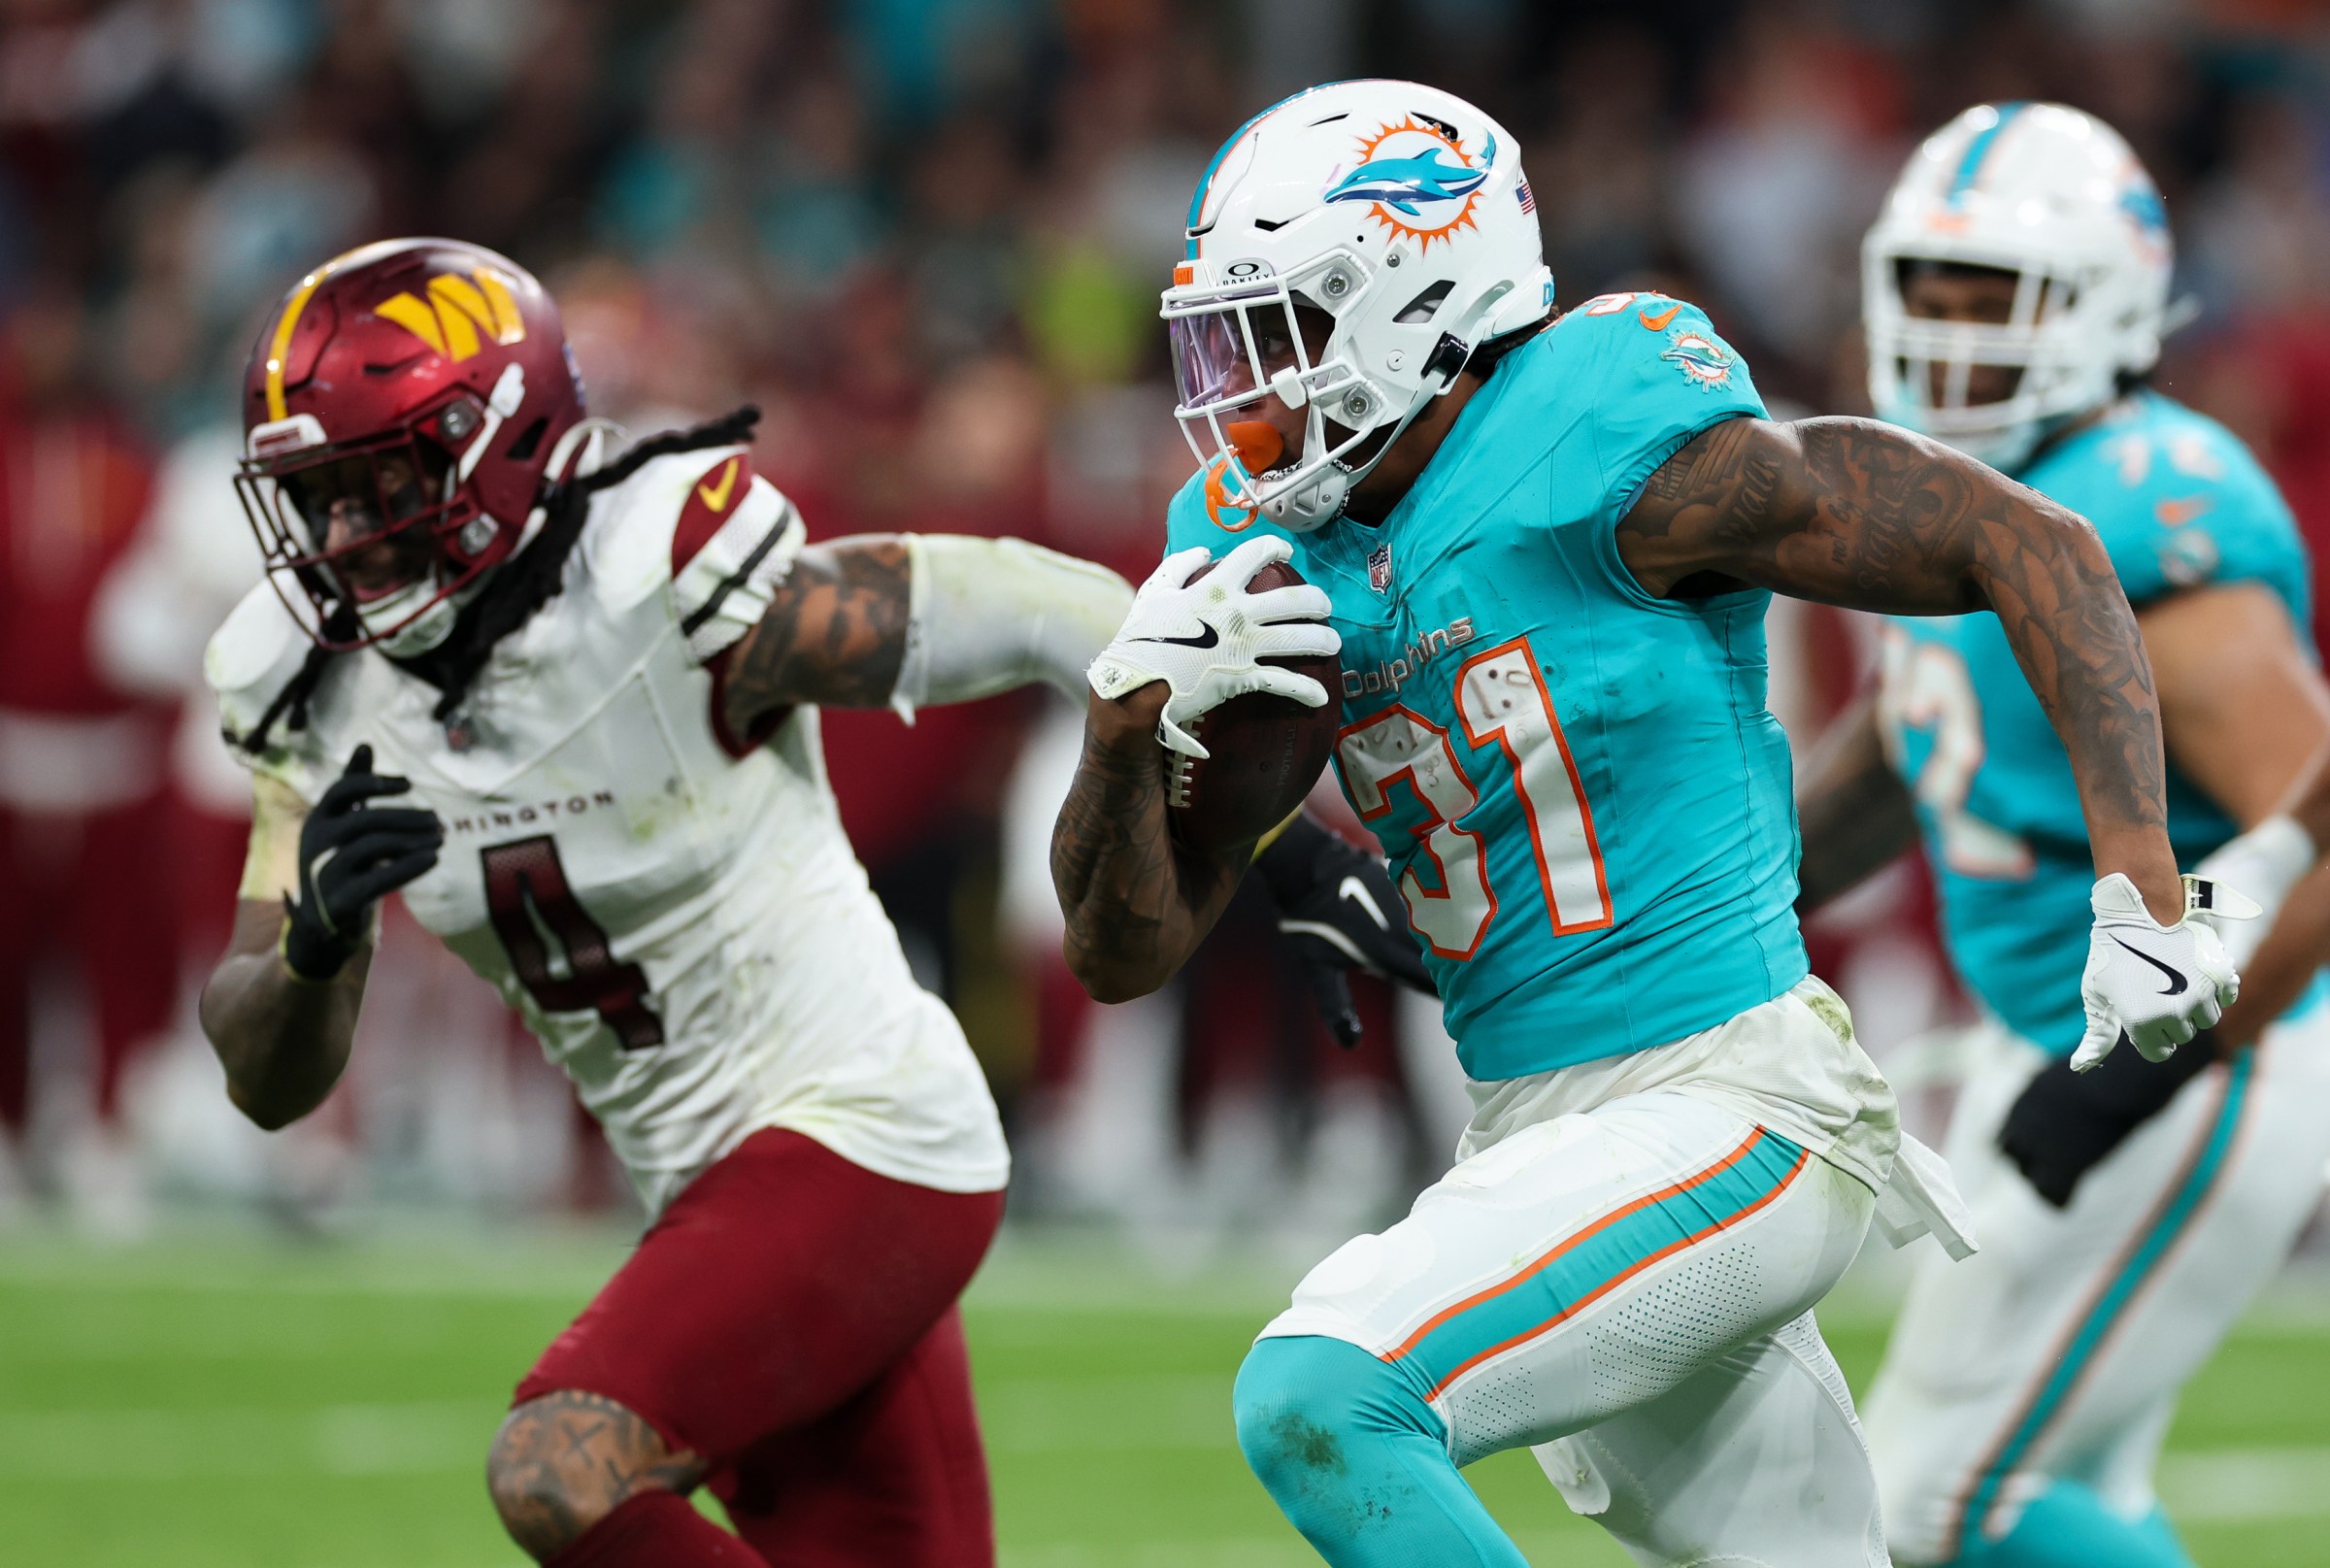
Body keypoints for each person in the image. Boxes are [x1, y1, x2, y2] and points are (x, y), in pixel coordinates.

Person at [1048, 80, 2237, 1568]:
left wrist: (2146, 890)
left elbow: (2029, 540)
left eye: (1280, 331)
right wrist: (1121, 738)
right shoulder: (1265, 558)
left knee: (1324, 1391)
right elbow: (1127, 944)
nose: (1243, 389)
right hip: (1536, 1128)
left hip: (1732, 1099)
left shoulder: (1603, 432)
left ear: (1421, 293)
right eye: (1227, 341)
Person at [195, 237, 1152, 1568]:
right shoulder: (301, 685)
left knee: (556, 1467)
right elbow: (262, 1075)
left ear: (501, 443)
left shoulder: (661, 571)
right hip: (712, 1201)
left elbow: (1062, 610)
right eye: (317, 497)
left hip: (865, 1133)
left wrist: (1252, 831)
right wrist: (315, 945)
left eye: (380, 481)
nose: (346, 537)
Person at [1797, 103, 2330, 1568]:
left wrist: (2143, 1088)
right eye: (1928, 292)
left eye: (1997, 302)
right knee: (2054, 1479)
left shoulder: (2151, 524)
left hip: (2191, 1068)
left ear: (2104, 311)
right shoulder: (1969, 493)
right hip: (2058, 1042)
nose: (1952, 337)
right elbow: (1922, 742)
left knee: (1926, 1503)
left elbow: (2327, 822)